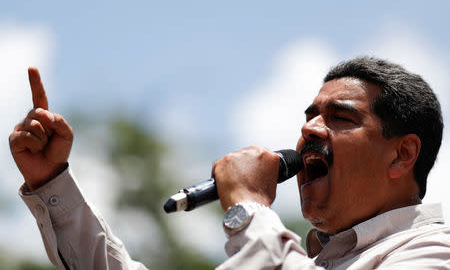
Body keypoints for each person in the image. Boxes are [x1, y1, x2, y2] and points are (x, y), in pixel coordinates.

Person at [9, 57, 450, 269]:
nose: (311, 130)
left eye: (341, 118)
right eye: (310, 116)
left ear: (402, 154)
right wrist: (52, 182)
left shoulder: (433, 254)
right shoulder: (307, 259)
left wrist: (248, 205)